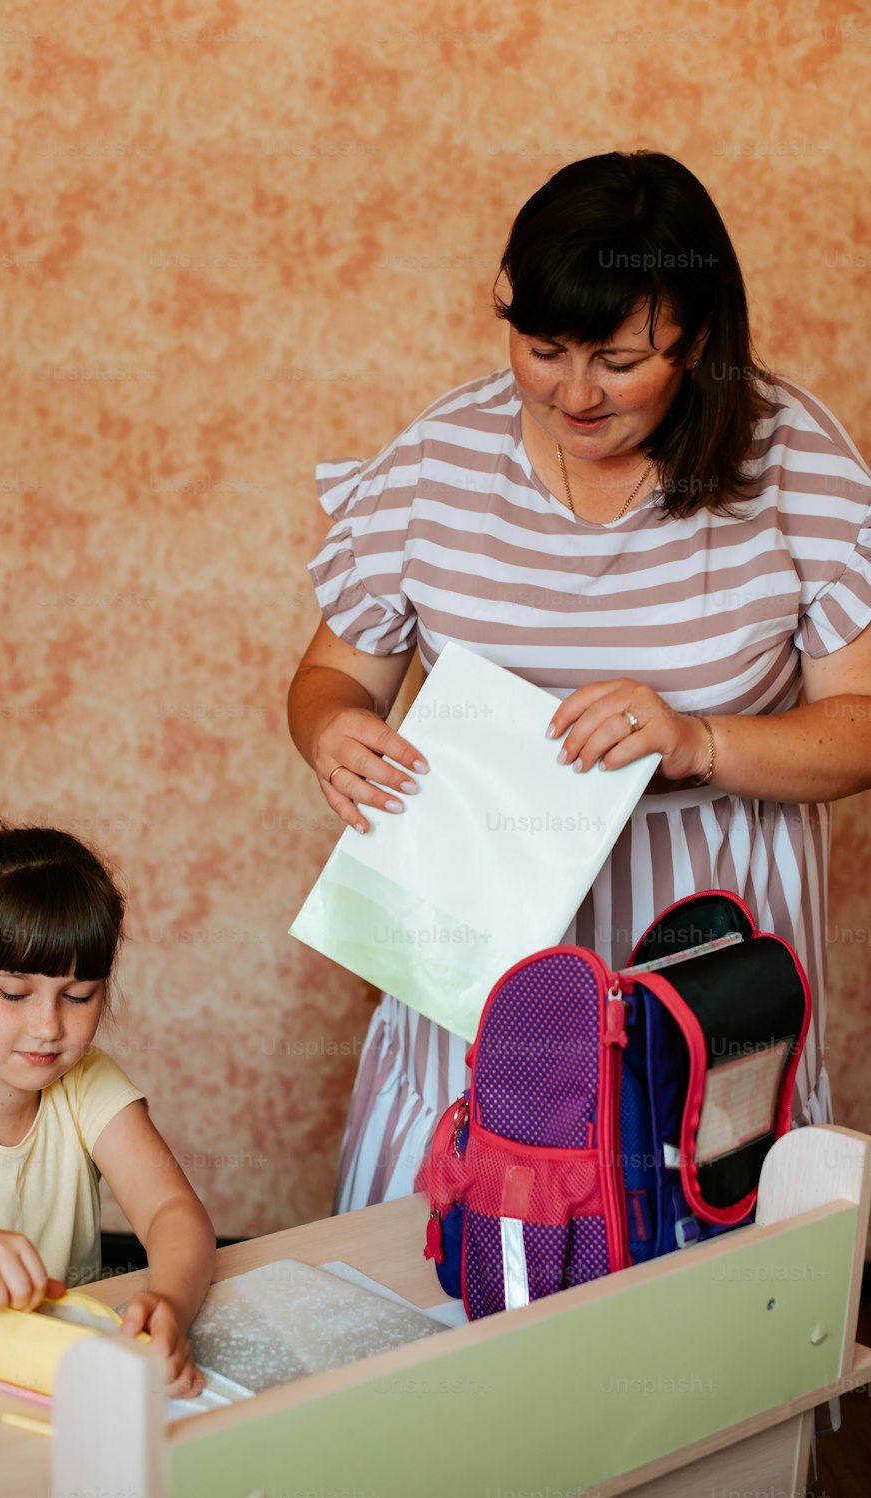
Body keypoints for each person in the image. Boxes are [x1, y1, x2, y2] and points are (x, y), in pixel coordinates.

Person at [287, 150, 871, 1215]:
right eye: (540, 348)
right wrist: (332, 731)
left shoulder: (795, 460)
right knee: (476, 1236)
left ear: (695, 339)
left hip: (706, 937)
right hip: (479, 925)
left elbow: (862, 726)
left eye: (615, 359)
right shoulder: (437, 460)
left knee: (693, 1209)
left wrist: (698, 739)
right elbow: (330, 676)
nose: (570, 393)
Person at [0, 825, 216, 1397]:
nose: (49, 1026)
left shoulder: (85, 1085)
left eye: (77, 996)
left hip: (59, 1391)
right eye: (14, 993)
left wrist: (170, 1306)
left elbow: (172, 1211)